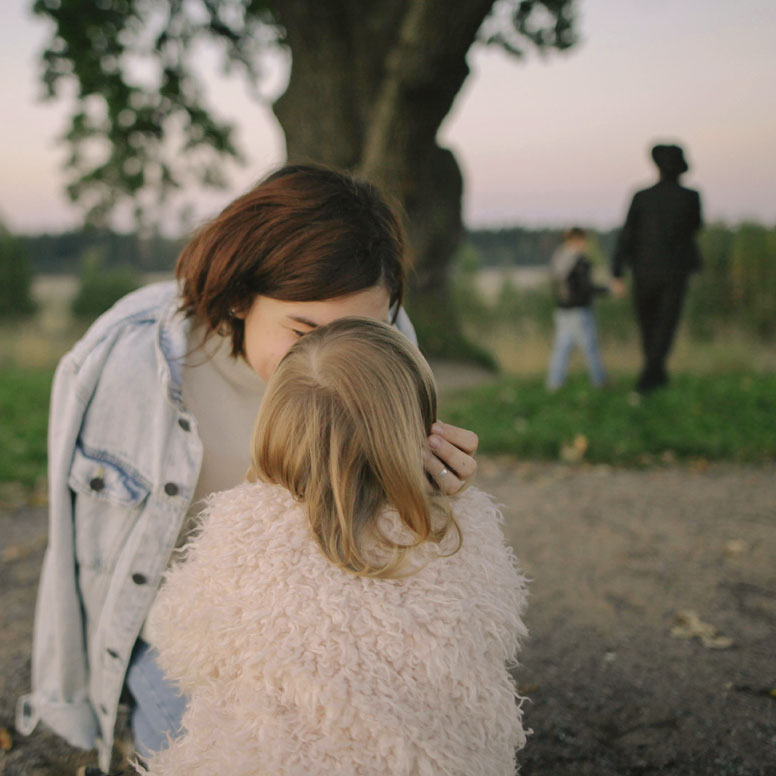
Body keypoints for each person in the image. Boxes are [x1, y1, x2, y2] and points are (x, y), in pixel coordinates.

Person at [16, 165, 480, 773]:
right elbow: (79, 553)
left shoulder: (392, 353)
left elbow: (391, 546)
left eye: (365, 329)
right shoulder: (127, 362)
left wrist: (435, 489)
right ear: (240, 296)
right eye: (303, 328)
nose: (332, 356)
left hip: (322, 630)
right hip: (179, 637)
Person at [138, 317, 528, 776]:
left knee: (150, 676)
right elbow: (496, 633)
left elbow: (182, 646)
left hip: (268, 765)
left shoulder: (241, 522)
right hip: (434, 764)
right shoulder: (458, 525)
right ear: (420, 429)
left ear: (275, 421)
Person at [611, 143, 703, 393]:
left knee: (649, 324)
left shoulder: (642, 197)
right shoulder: (691, 197)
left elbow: (627, 235)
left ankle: (650, 376)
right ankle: (654, 374)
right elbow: (695, 228)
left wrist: (617, 271)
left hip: (644, 271)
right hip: (676, 272)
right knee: (665, 324)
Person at [546, 227, 608, 391]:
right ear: (576, 240)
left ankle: (554, 383)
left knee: (562, 348)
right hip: (579, 310)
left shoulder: (558, 259)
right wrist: (607, 290)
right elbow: (586, 287)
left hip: (562, 310)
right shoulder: (578, 262)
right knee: (590, 347)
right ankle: (599, 381)